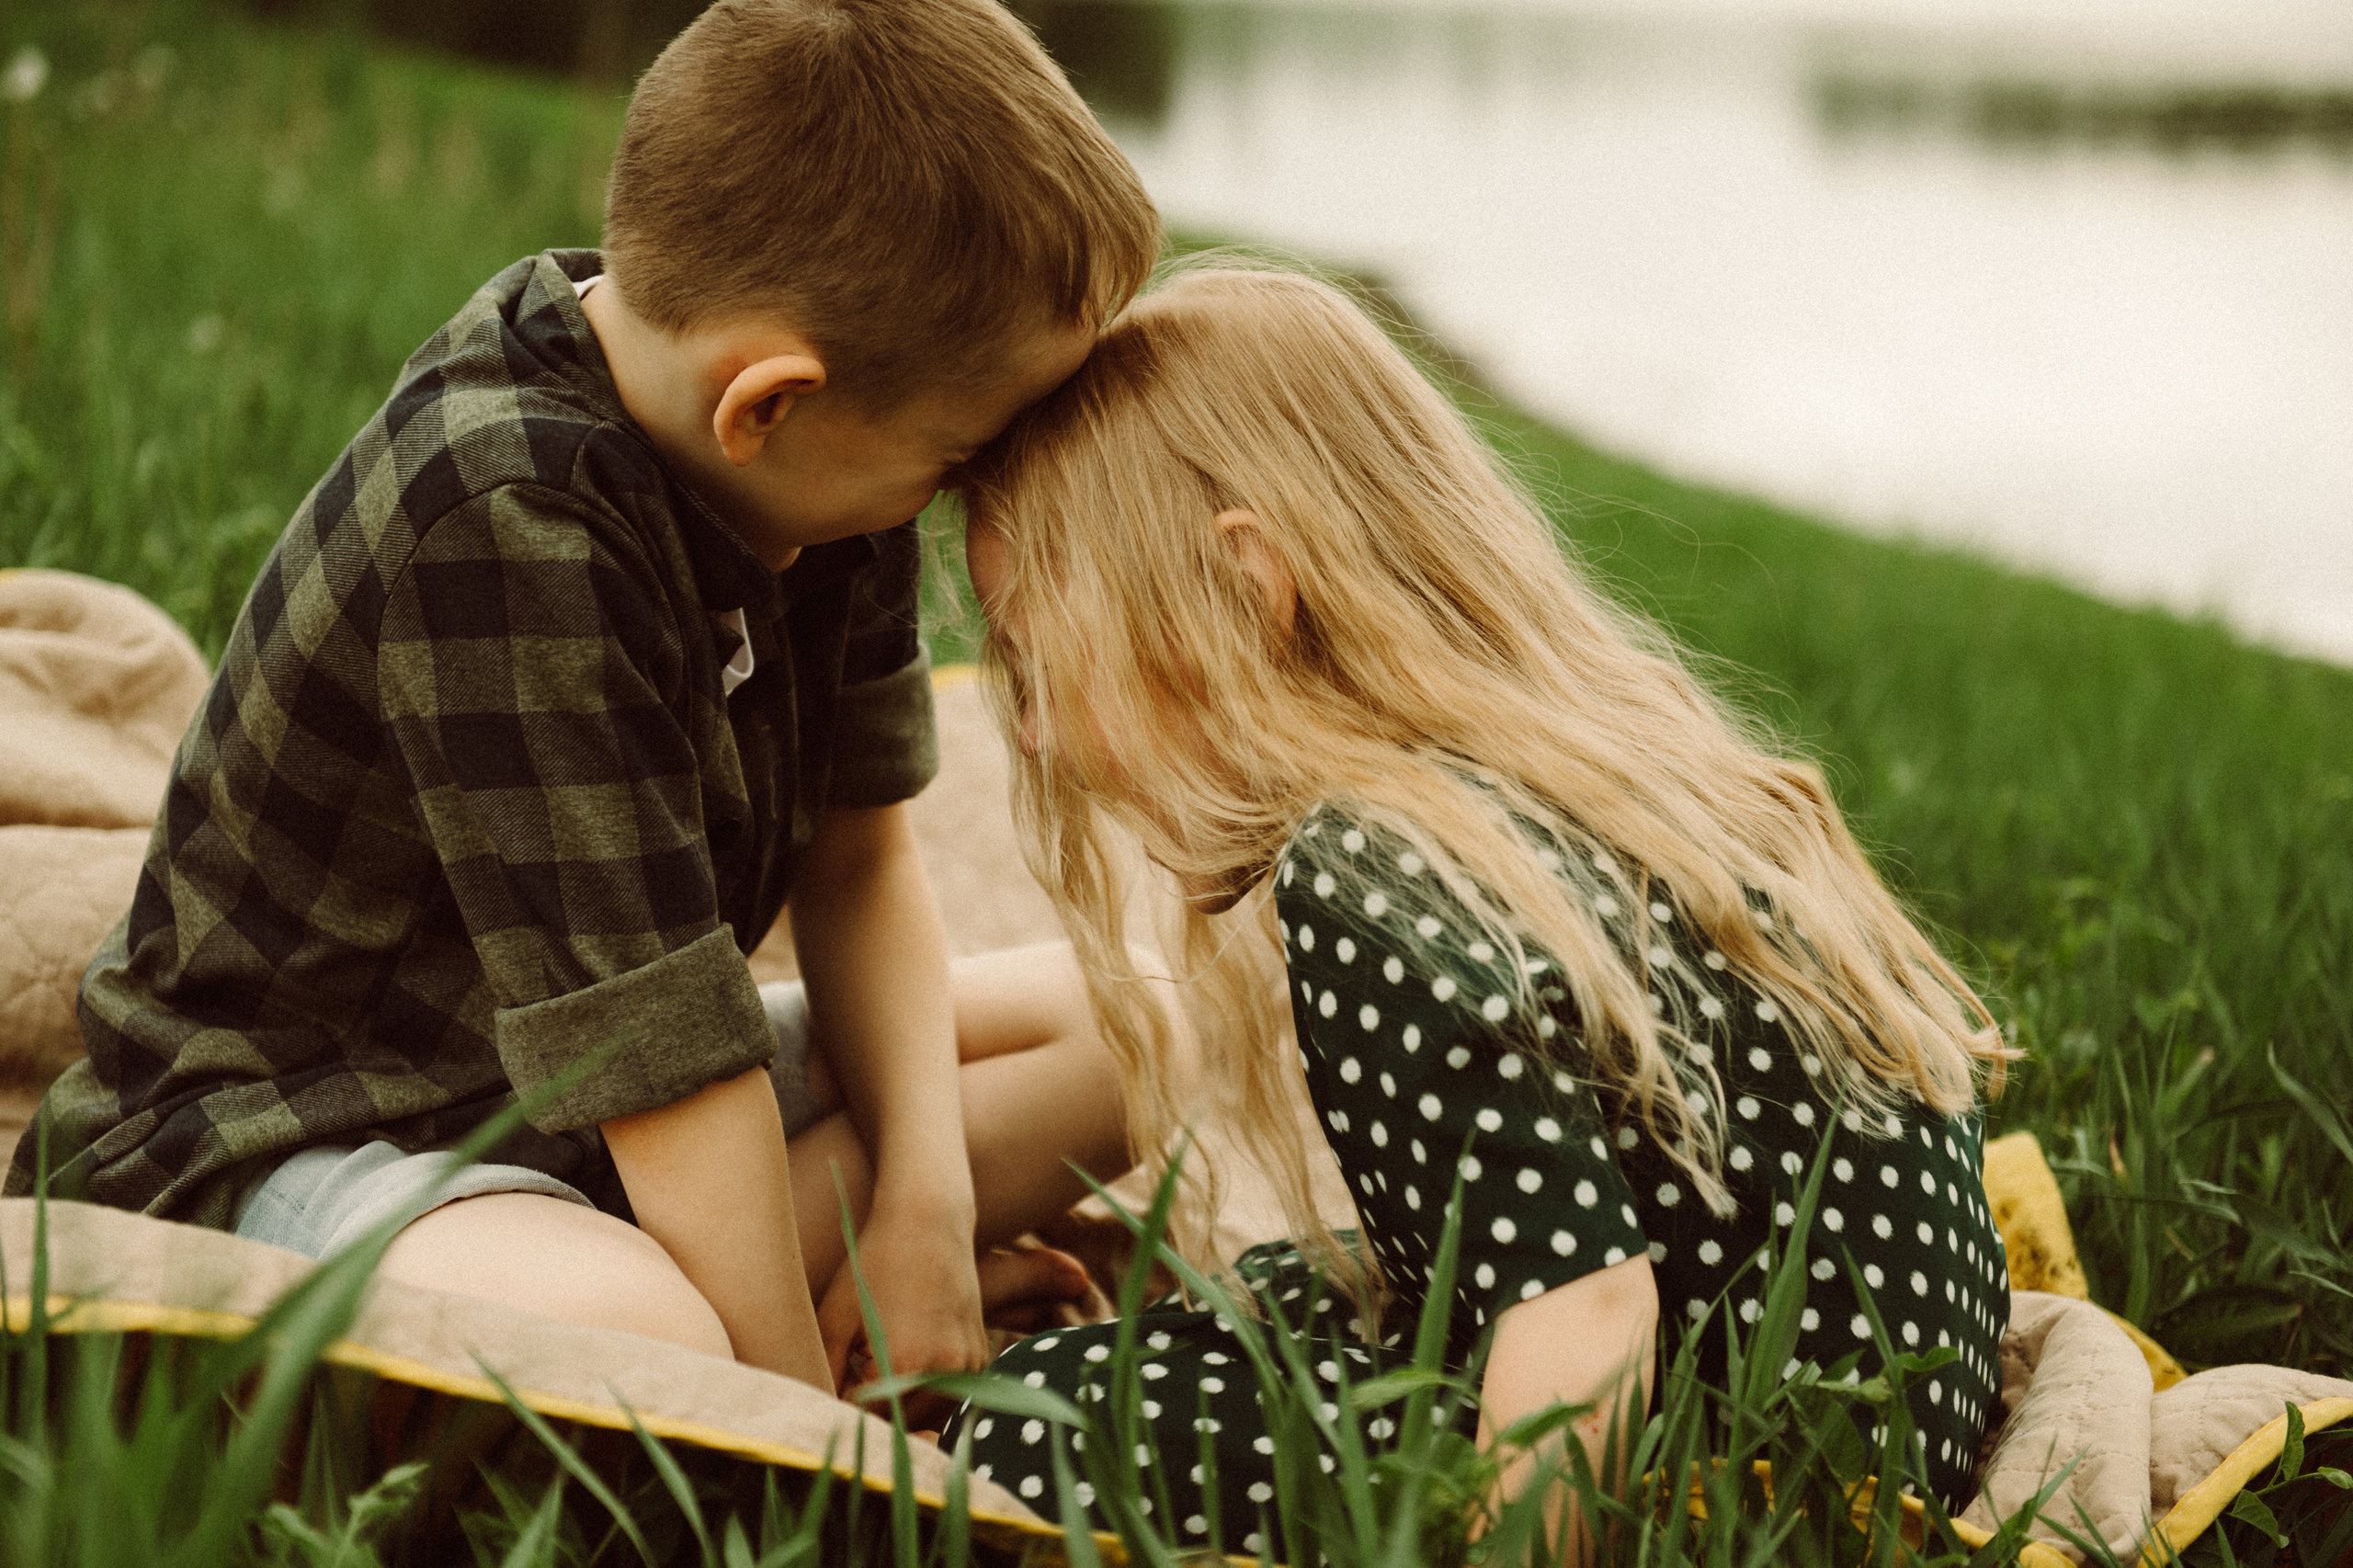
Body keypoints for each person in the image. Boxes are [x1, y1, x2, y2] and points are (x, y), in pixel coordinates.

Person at [6, 0, 1156, 1405]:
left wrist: (923, 1211)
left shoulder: (824, 465)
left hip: (583, 1114)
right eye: (958, 456)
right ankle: (732, 1316)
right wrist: (818, 1436)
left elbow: (859, 863)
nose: (962, 494)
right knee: (649, 1339)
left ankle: (771, 1277)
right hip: (306, 1133)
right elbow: (657, 1054)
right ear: (767, 403)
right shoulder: (502, 517)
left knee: (1136, 1027)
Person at [943, 264, 2016, 1551]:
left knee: (1029, 1422)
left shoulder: (1368, 870)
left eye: (1036, 660)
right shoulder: (1571, 764)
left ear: (1243, 589)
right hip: (1884, 1420)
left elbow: (1589, 1317)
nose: (1037, 733)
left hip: (1742, 1484)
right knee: (1282, 1293)